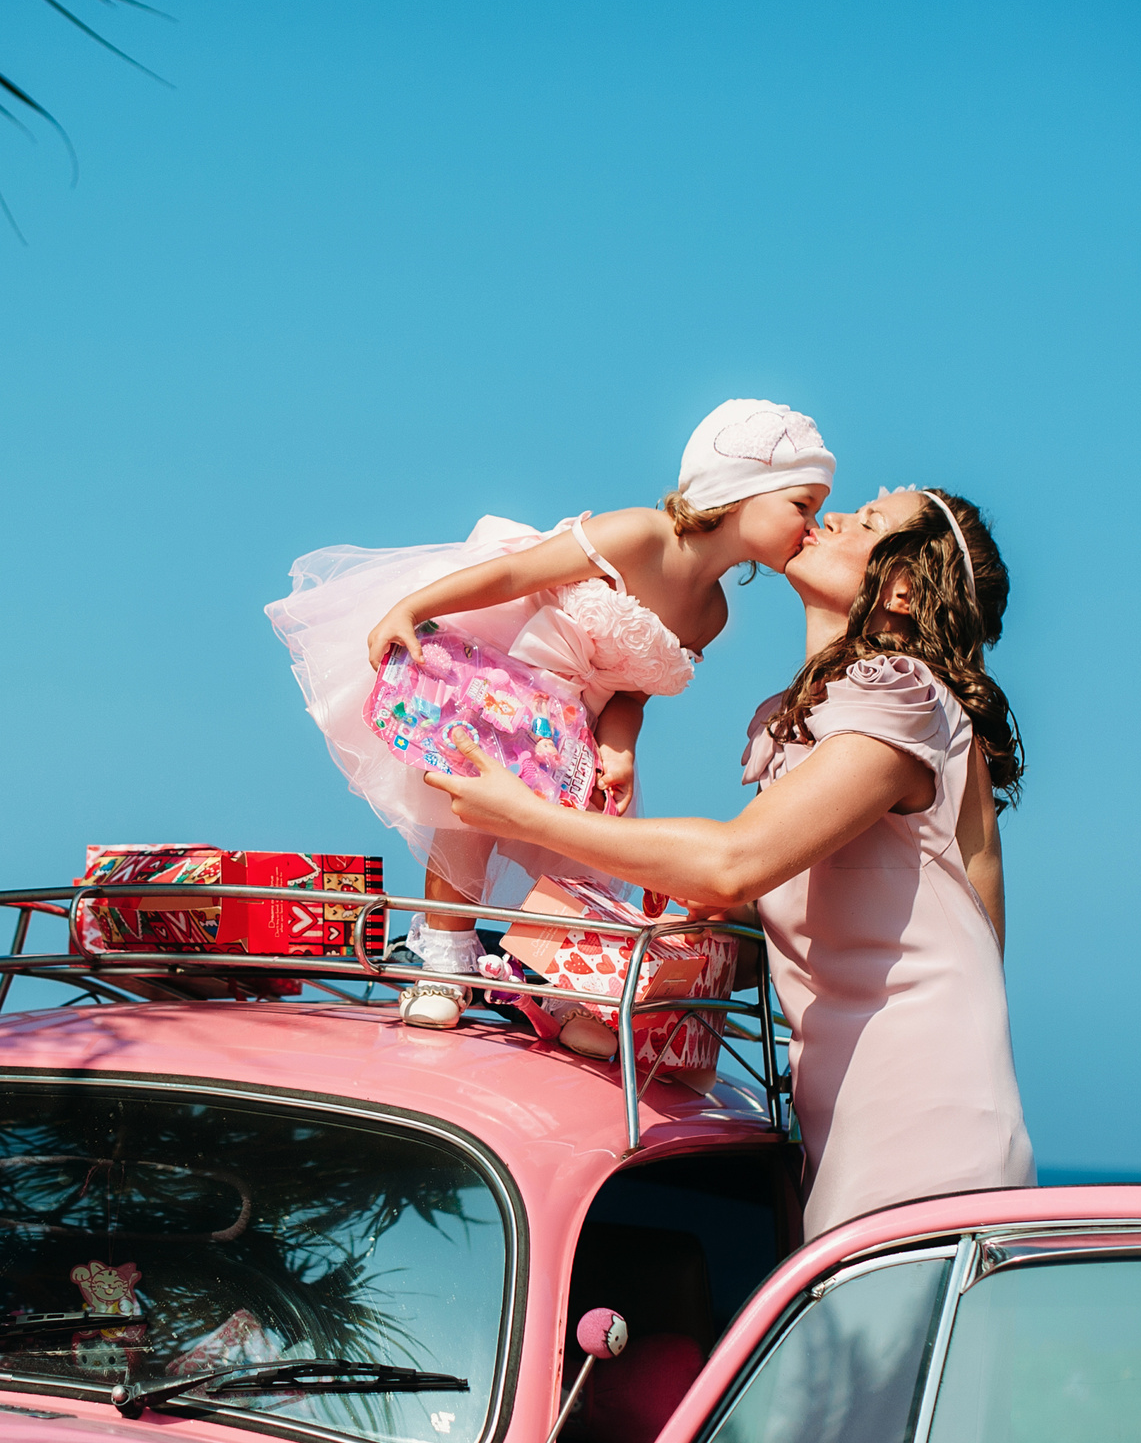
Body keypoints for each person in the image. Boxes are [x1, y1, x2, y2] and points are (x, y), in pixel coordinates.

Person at [426, 485, 1034, 1237]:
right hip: (857, 1121)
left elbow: (734, 860)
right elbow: (760, 910)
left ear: (905, 588)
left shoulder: (904, 696)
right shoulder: (835, 716)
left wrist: (524, 814)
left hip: (926, 1132)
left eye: (868, 522)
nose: (835, 516)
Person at [267, 400, 835, 1027]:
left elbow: (632, 691)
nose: (811, 524)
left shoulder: (712, 614)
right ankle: (444, 956)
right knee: (467, 815)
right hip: (508, 674)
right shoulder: (641, 535)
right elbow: (515, 573)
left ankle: (550, 982)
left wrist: (620, 748)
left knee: (580, 844)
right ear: (742, 491)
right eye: (801, 503)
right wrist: (411, 605)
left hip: (572, 725)